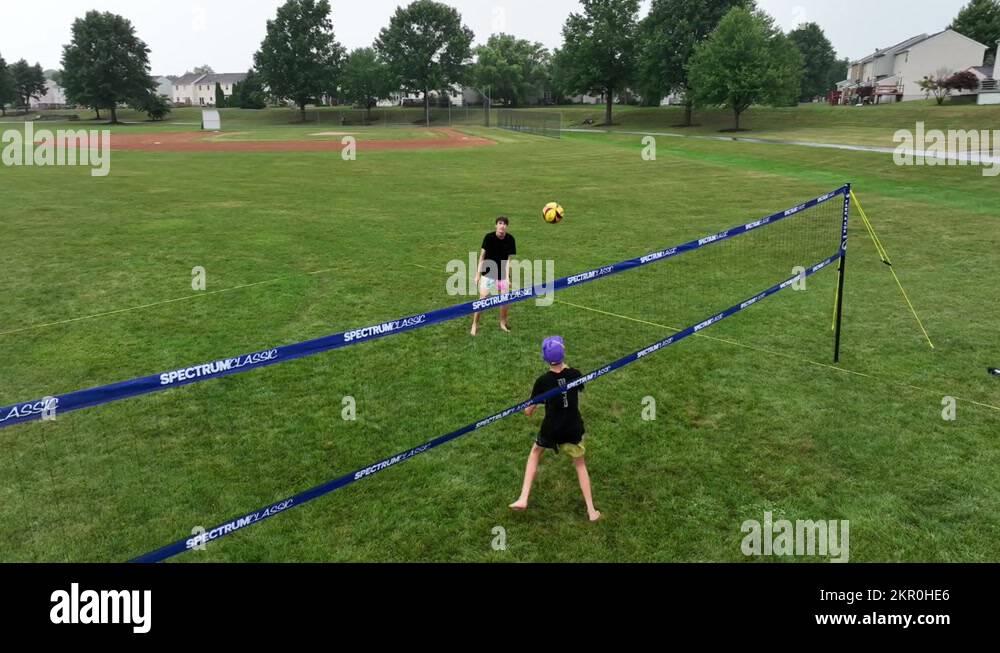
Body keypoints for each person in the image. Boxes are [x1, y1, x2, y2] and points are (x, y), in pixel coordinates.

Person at [510, 336, 601, 522]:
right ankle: (591, 511)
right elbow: (576, 385)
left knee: (535, 452)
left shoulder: (542, 381)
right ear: (563, 355)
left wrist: (532, 404)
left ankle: (523, 497)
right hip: (573, 427)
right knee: (580, 465)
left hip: (552, 428)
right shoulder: (575, 374)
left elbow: (528, 412)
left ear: (544, 357)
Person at [471, 216, 516, 336]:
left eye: (505, 224)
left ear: (507, 227)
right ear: (496, 225)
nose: (502, 225)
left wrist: (507, 277)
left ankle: (502, 323)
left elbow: (508, 261)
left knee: (505, 299)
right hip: (488, 272)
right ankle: (475, 324)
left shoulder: (510, 239)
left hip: (502, 273)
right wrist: (477, 275)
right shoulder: (489, 237)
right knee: (483, 298)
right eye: (500, 223)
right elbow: (482, 257)